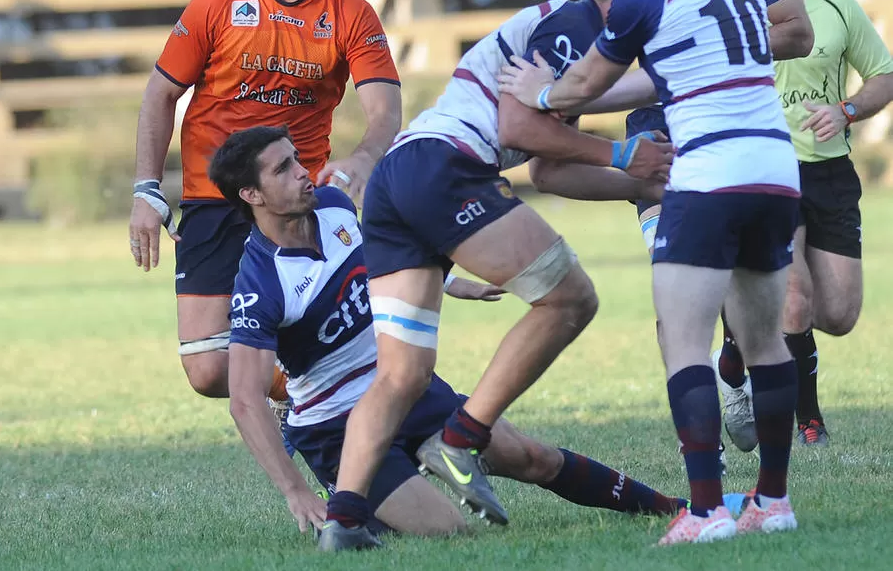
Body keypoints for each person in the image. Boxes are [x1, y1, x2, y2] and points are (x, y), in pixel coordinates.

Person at [316, 0, 674, 550]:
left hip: (402, 180)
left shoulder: (583, 49)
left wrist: (642, 183)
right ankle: (461, 435)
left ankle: (342, 523)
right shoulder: (577, 23)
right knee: (570, 299)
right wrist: (622, 152)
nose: (655, 11)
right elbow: (516, 125)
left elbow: (549, 170)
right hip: (445, 167)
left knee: (401, 376)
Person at [500, 0, 802, 544]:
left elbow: (579, 87)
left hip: (710, 172)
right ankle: (772, 503)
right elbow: (659, 76)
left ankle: (703, 513)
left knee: (684, 344)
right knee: (763, 341)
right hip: (774, 168)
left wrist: (541, 91)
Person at [219, 125, 688, 544]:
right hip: (337, 427)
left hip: (405, 388)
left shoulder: (337, 209)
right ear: (252, 195)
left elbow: (384, 265)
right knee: (448, 531)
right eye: (284, 169)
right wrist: (294, 492)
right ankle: (351, 495)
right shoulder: (260, 284)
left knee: (531, 457)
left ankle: (674, 511)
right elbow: (244, 398)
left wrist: (450, 282)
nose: (304, 172)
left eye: (298, 158)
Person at [127, 0, 402, 408]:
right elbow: (159, 95)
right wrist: (146, 190)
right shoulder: (218, 0)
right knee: (207, 370)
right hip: (215, 195)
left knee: (330, 329)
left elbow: (385, 109)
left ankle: (369, 402)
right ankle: (300, 391)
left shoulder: (351, 13)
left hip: (294, 198)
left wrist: (367, 156)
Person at [588, 0, 811, 459]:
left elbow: (797, 32)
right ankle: (718, 461)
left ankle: (728, 393)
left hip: (724, 130)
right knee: (676, 303)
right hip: (658, 134)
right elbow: (607, 29)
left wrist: (708, 54)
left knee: (768, 308)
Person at [709, 0, 893, 446]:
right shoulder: (720, 10)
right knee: (795, 296)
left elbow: (883, 75)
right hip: (763, 168)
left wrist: (847, 110)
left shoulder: (835, 6)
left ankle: (736, 326)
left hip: (829, 170)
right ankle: (807, 418)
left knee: (837, 314)